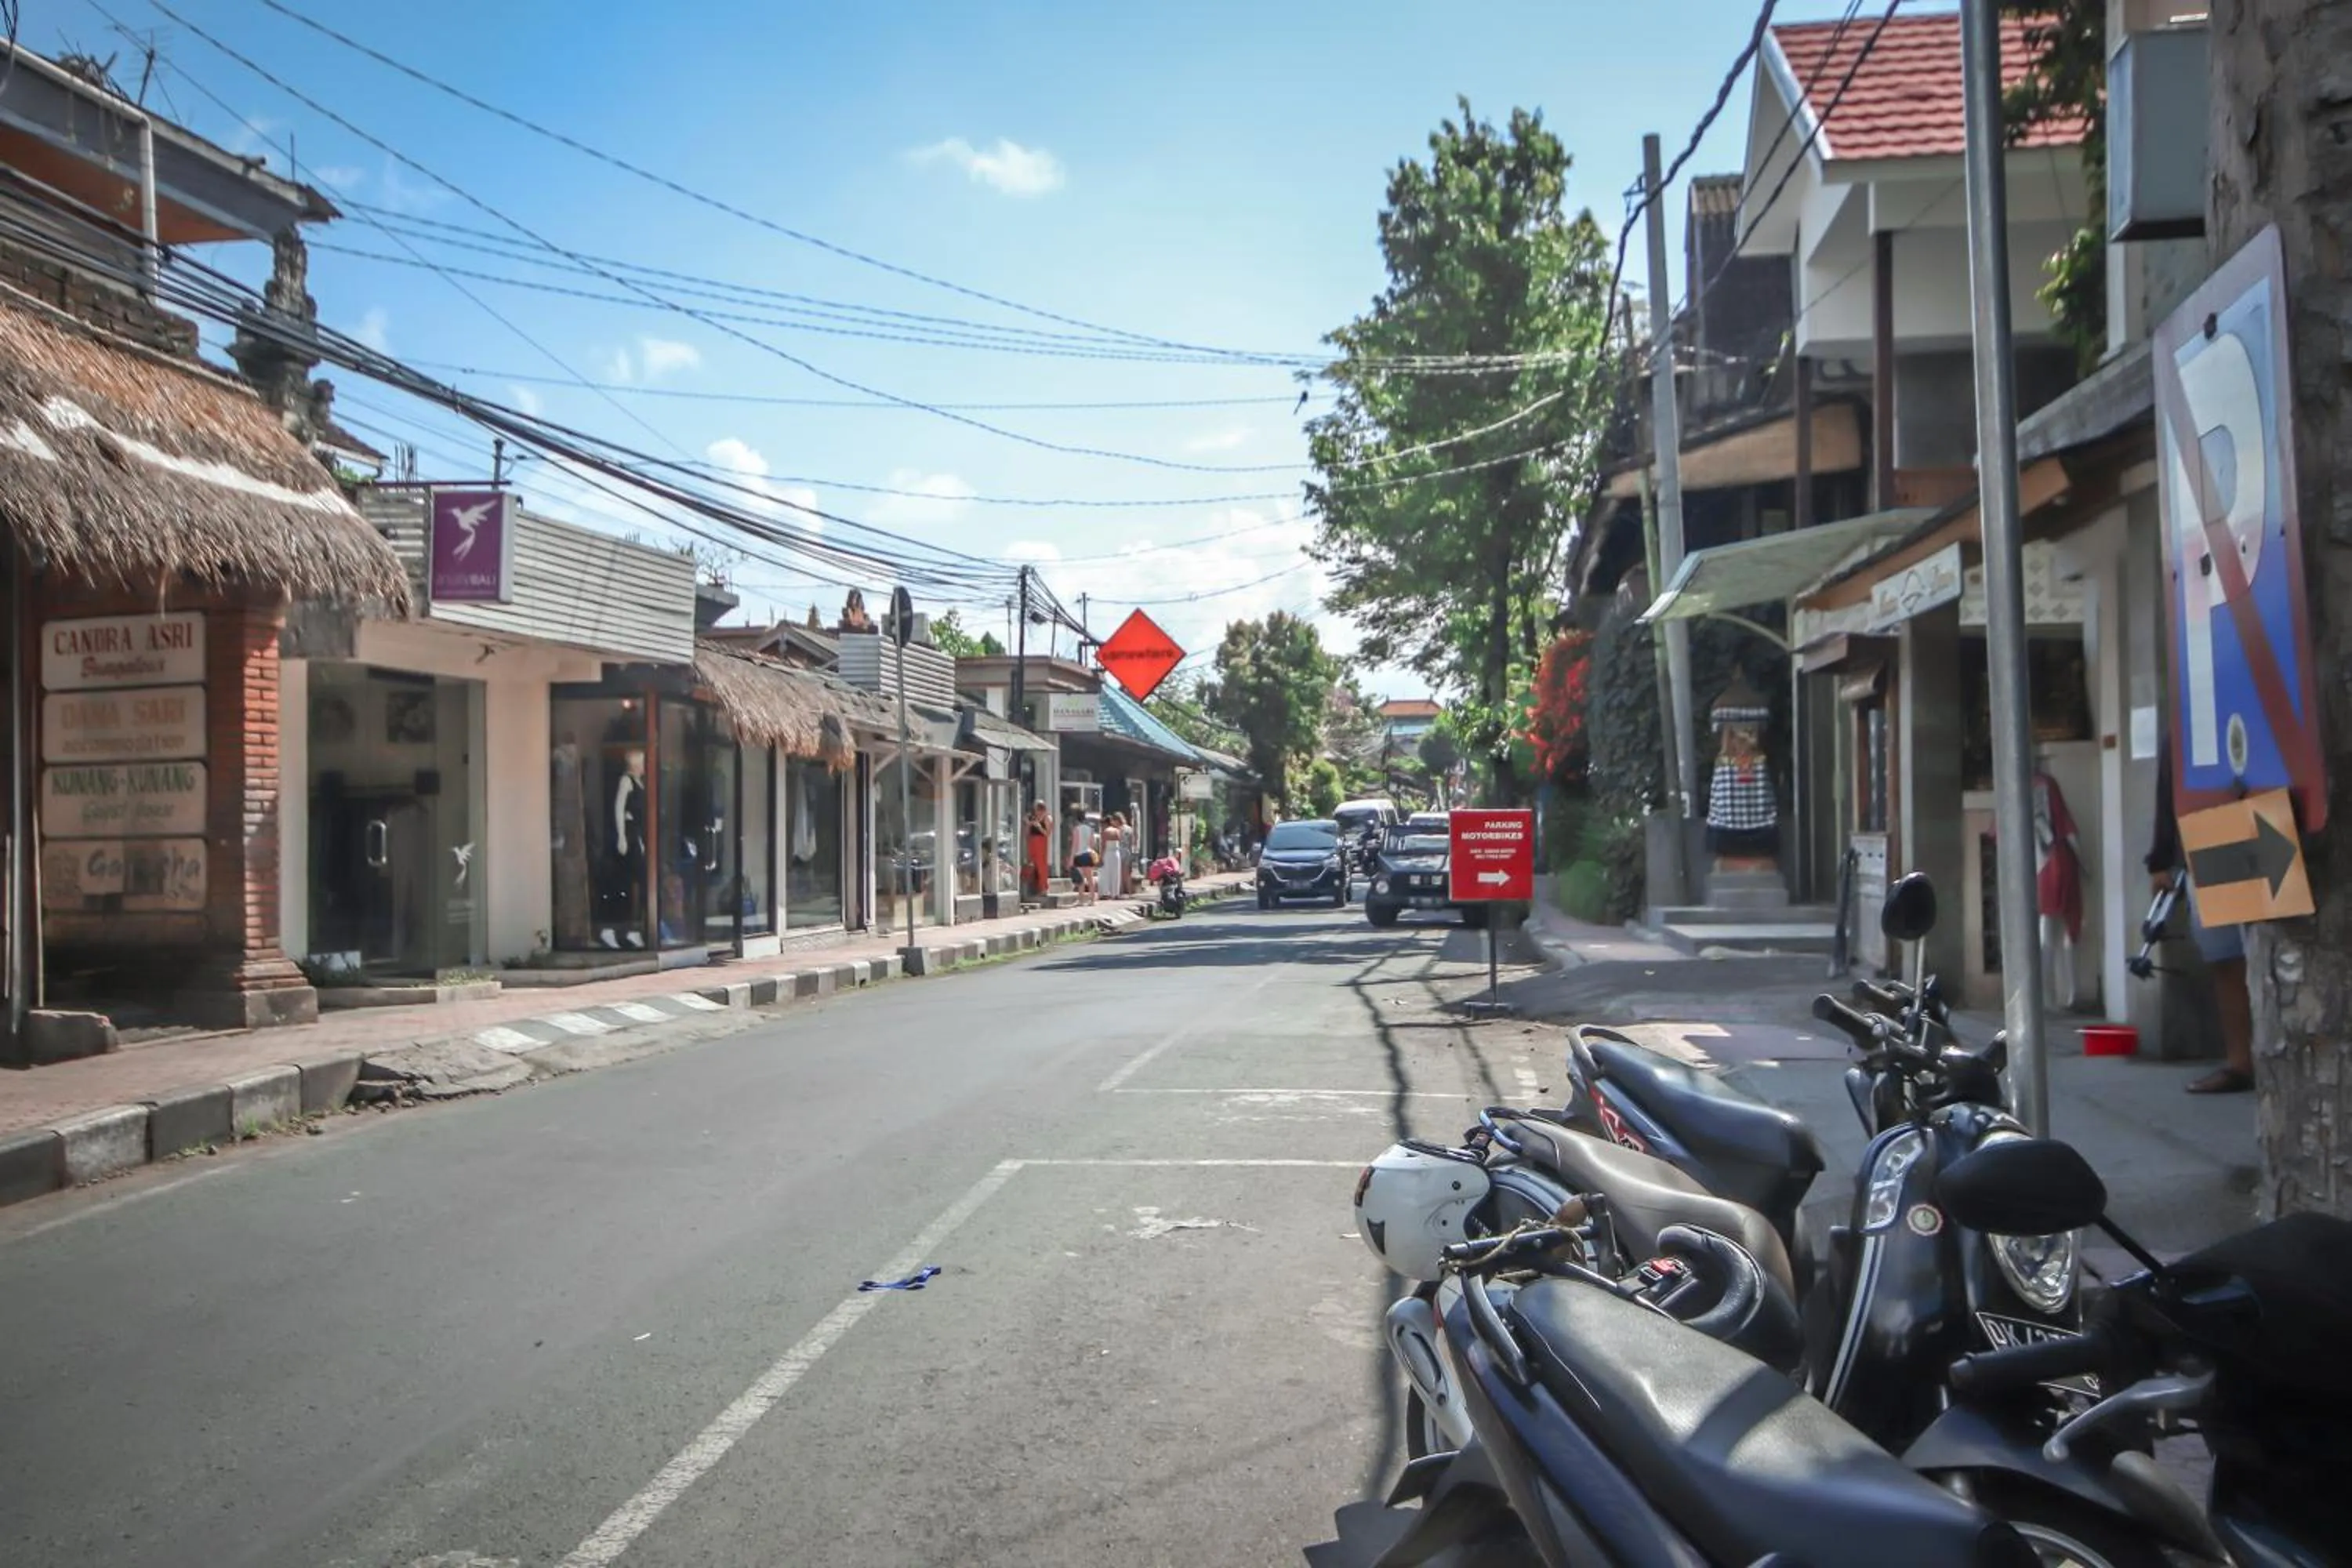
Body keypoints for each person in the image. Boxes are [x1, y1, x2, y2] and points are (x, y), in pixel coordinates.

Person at [2147, 739, 2254, 1094]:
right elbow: (2170, 784)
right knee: (2225, 957)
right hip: (2207, 834)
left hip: (2264, 819)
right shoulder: (2187, 714)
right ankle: (2241, 1063)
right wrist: (2161, 858)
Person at [1069, 812, 1101, 904]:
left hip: (1079, 855)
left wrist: (1071, 858)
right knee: (1090, 878)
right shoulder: (1090, 829)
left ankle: (1081, 899)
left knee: (1081, 879)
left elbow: (1075, 844)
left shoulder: (1076, 829)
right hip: (1088, 854)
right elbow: (1092, 844)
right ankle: (1092, 899)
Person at [1102, 811, 1128, 898]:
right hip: (1116, 852)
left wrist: (1101, 856)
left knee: (1106, 872)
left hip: (1108, 852)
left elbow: (1103, 845)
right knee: (1116, 873)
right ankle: (1116, 892)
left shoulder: (1105, 832)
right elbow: (1119, 841)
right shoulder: (1117, 831)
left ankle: (1106, 892)